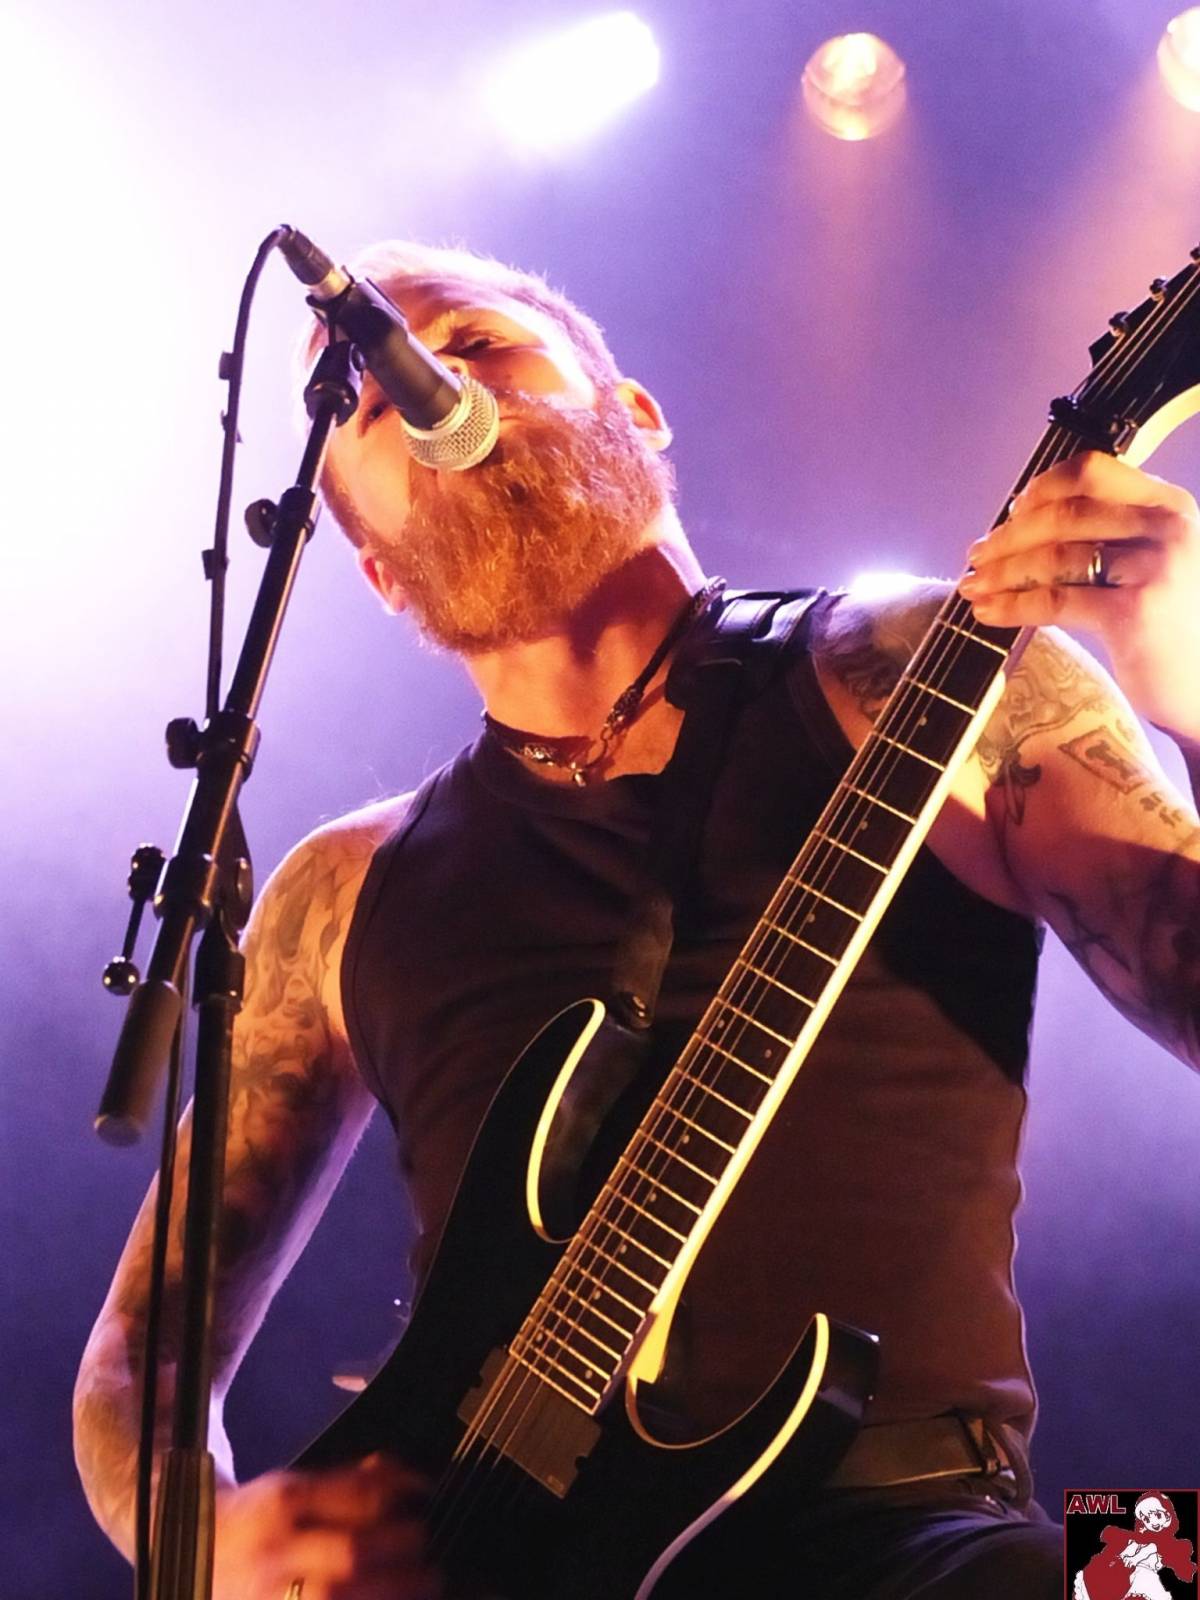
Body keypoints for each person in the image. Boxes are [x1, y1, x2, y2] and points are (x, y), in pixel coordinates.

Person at [73, 240, 1200, 1600]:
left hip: (919, 1530)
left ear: (636, 413)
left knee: (1158, 1569)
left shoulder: (912, 672)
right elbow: (138, 1357)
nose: (426, 394)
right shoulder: (343, 890)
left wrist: (1193, 692)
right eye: (366, 408)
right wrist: (213, 1542)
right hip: (487, 1560)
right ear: (376, 573)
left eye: (475, 345)